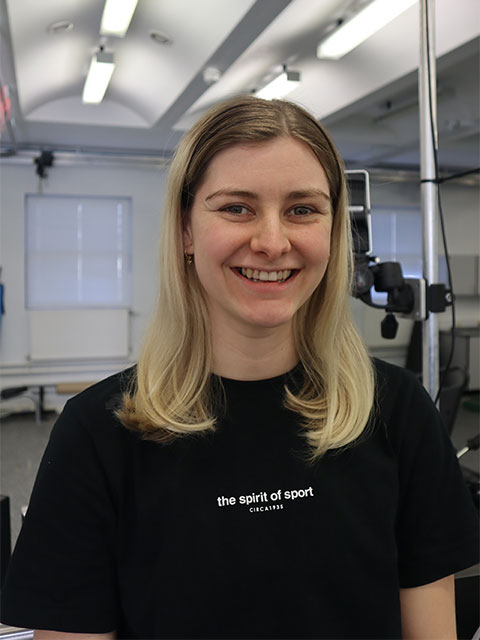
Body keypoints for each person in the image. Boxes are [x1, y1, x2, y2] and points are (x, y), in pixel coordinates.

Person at [1, 96, 478, 639]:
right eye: (236, 208)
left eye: (302, 209)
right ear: (185, 230)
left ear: (333, 230)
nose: (272, 242)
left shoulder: (398, 411)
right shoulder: (95, 433)